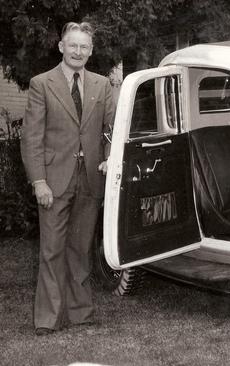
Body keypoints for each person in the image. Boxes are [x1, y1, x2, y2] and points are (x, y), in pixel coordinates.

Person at [20, 21, 114, 336]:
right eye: (72, 45)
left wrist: (109, 158)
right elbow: (31, 139)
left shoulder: (103, 85)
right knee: (51, 250)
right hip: (54, 180)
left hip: (90, 180)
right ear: (61, 47)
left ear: (91, 50)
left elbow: (111, 130)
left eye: (84, 46)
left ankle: (81, 314)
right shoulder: (41, 84)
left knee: (81, 248)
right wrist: (38, 181)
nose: (78, 51)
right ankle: (47, 319)